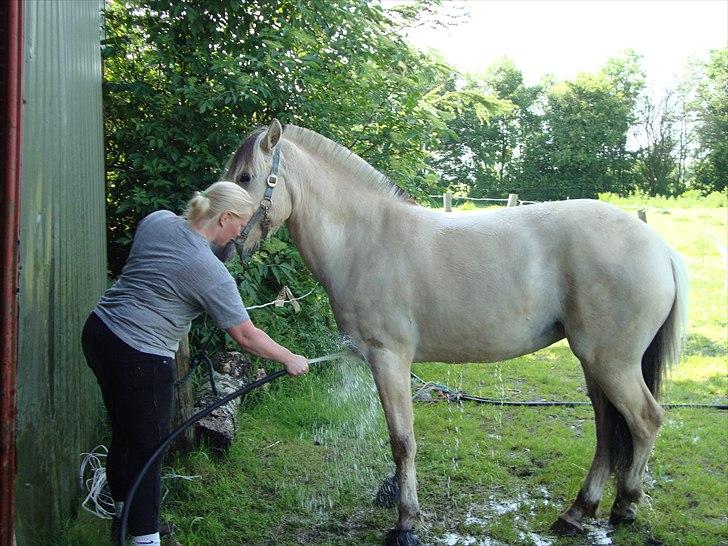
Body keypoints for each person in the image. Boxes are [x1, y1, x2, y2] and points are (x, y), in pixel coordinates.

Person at [82, 181, 309, 546]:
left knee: (127, 433)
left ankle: (123, 517)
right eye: (241, 224)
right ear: (225, 218)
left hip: (100, 333)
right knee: (149, 448)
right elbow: (245, 336)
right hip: (141, 354)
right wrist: (289, 357)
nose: (242, 233)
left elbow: (161, 269)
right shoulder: (207, 269)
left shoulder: (157, 221)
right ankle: (144, 538)